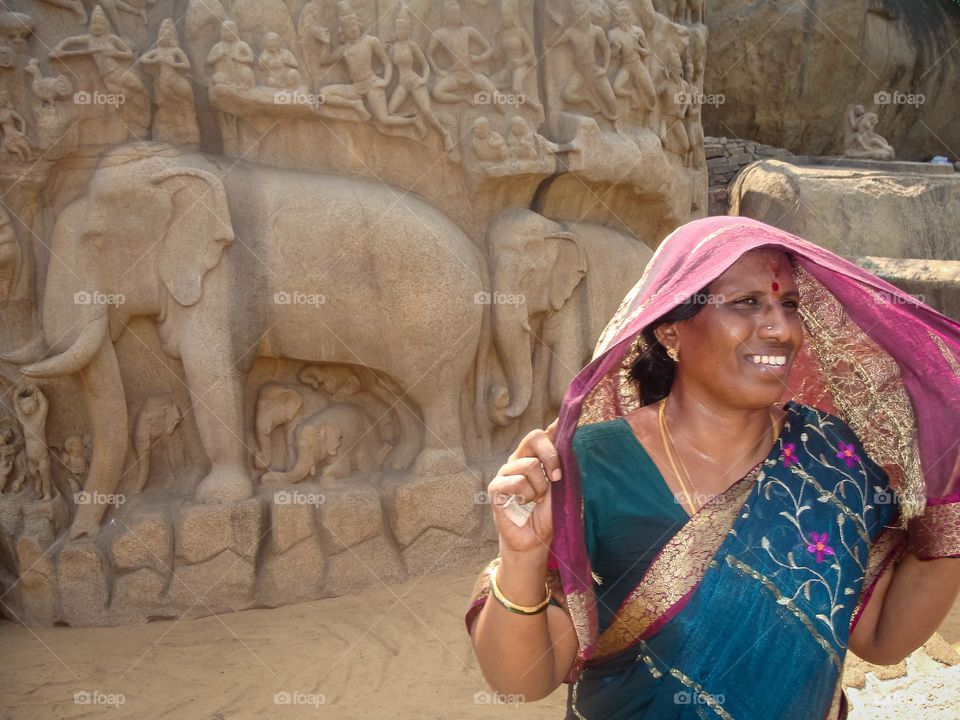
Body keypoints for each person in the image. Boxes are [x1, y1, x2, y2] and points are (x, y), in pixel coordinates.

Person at [466, 215, 960, 719]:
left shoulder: (831, 455)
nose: (780, 329)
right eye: (746, 304)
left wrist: (953, 516)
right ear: (670, 331)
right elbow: (523, 682)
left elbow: (879, 636)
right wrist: (521, 556)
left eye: (788, 305)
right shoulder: (593, 464)